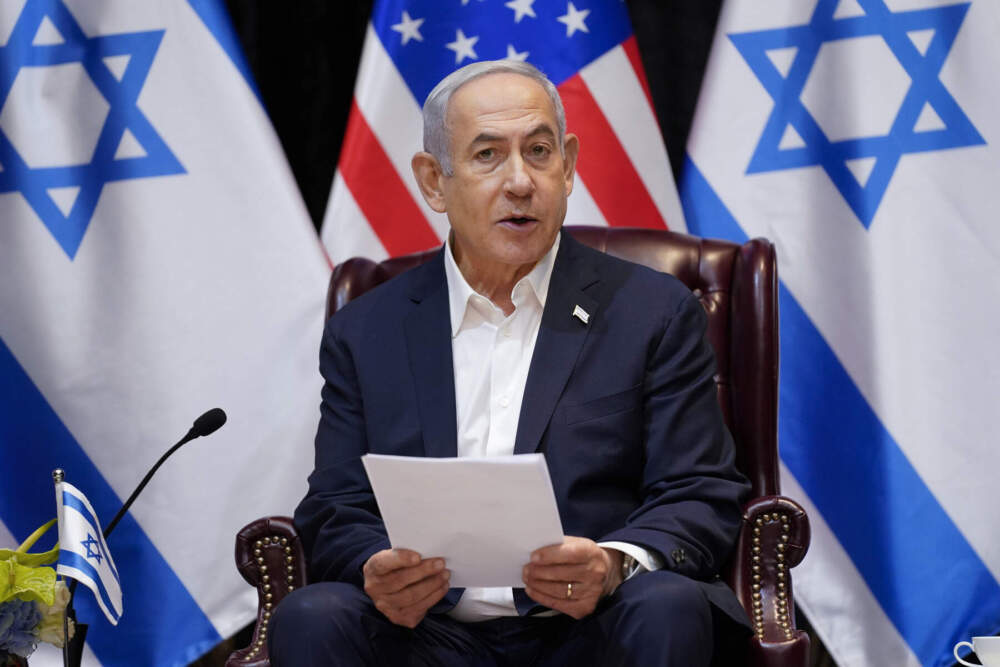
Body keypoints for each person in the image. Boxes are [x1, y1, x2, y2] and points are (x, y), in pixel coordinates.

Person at [269, 60, 751, 666]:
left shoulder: (653, 313)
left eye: (540, 151)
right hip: (426, 638)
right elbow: (335, 505)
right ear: (433, 181)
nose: (520, 181)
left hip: (593, 631)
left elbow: (699, 491)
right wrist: (377, 568)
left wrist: (614, 564)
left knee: (666, 604)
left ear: (569, 166)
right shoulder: (366, 331)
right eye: (488, 155)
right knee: (313, 618)